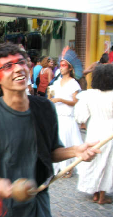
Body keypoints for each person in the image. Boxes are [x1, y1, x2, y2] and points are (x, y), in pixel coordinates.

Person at [0, 43, 100, 217]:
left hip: (37, 205)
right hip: (1, 209)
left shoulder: (45, 108)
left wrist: (76, 150)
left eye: (22, 62)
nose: (18, 69)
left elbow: (50, 151)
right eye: (8, 66)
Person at [75, 64, 113, 204]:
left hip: (94, 131)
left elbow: (80, 117)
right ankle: (102, 196)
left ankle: (95, 193)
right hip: (110, 132)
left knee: (94, 160)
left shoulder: (88, 95)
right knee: (108, 163)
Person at [49, 50, 83, 178]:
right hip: (57, 115)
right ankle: (57, 166)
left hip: (68, 116)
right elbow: (53, 95)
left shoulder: (74, 83)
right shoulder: (57, 82)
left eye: (64, 66)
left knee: (68, 140)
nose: (61, 68)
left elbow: (75, 101)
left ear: (69, 68)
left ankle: (69, 167)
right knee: (58, 140)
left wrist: (60, 100)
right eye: (61, 65)